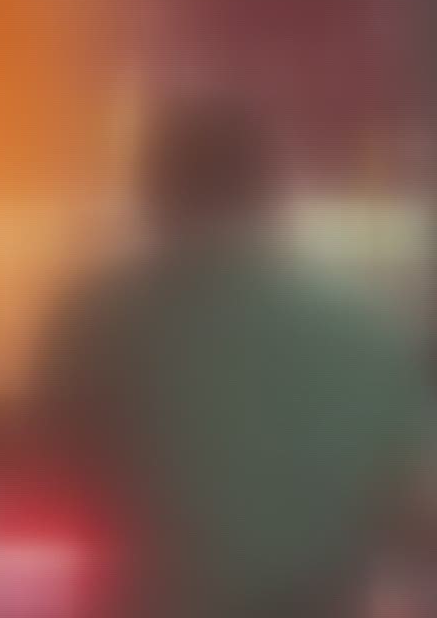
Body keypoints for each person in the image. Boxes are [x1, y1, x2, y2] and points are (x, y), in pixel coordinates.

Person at [42, 93, 436, 618]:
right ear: (275, 196)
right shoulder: (367, 329)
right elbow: (418, 501)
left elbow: (54, 476)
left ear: (153, 194)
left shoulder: (92, 322)